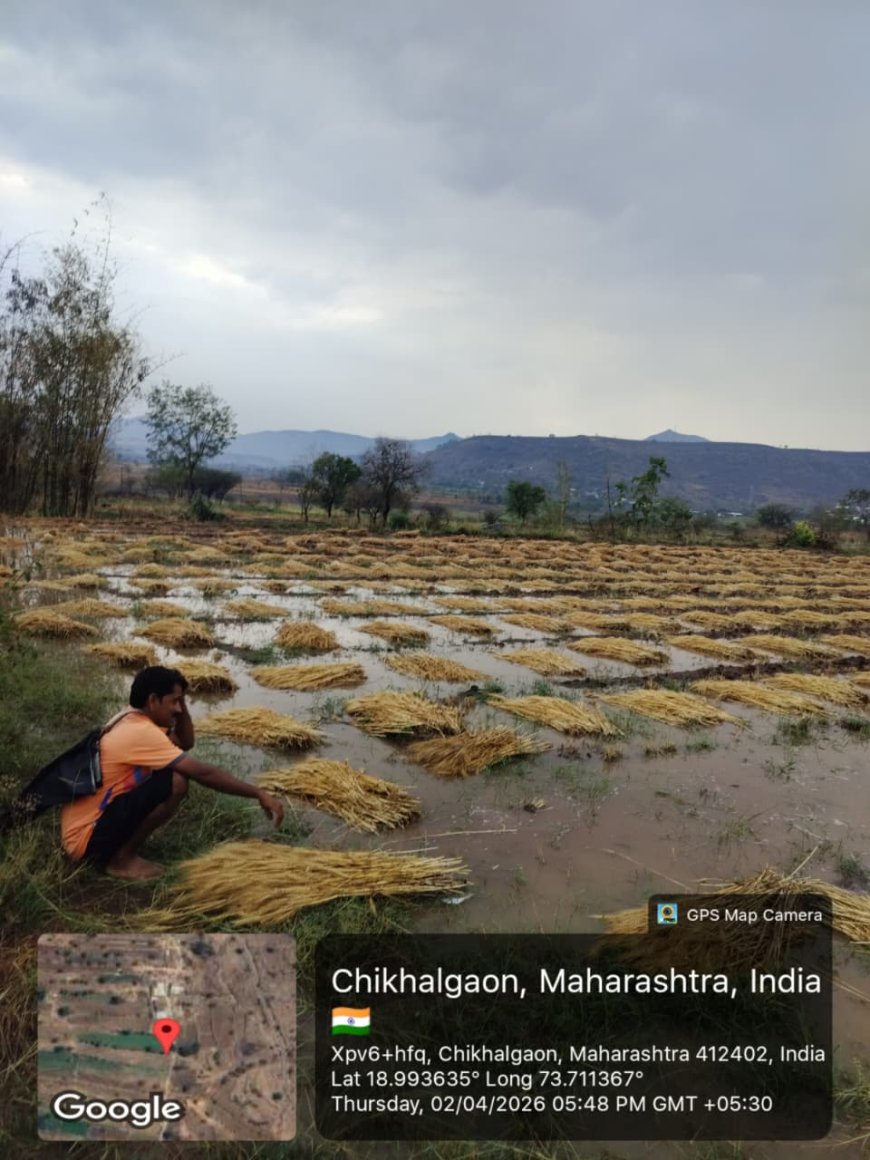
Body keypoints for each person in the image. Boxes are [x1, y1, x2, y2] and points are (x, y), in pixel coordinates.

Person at [60, 665, 284, 880]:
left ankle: (118, 848)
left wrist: (180, 698)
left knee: (166, 773)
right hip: (85, 841)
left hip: (82, 830)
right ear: (153, 700)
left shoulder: (131, 718)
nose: (178, 709)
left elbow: (185, 741)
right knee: (176, 782)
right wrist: (257, 793)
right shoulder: (141, 733)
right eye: (174, 702)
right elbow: (203, 773)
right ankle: (120, 861)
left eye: (181, 701)